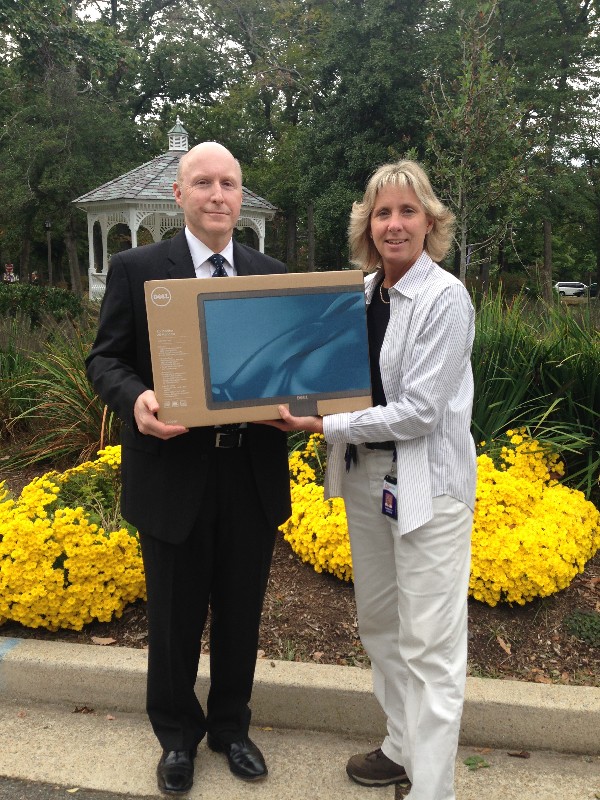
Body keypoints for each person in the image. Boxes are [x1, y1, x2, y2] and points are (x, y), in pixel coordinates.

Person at [265, 159, 476, 800]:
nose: (394, 223)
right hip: (367, 481)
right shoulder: (358, 296)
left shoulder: (446, 298)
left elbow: (419, 412)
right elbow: (321, 372)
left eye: (407, 211)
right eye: (382, 212)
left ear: (430, 222)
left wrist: (320, 426)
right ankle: (401, 745)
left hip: (427, 487)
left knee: (430, 644)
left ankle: (432, 788)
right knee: (381, 624)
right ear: (367, 226)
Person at [86, 142, 291, 796]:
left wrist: (304, 403)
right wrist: (136, 398)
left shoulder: (271, 273)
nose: (217, 194)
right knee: (173, 619)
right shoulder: (137, 267)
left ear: (241, 195)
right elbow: (105, 361)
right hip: (172, 470)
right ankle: (177, 737)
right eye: (202, 182)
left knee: (240, 615)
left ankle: (231, 728)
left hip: (250, 471)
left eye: (228, 182)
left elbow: (291, 365)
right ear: (178, 195)